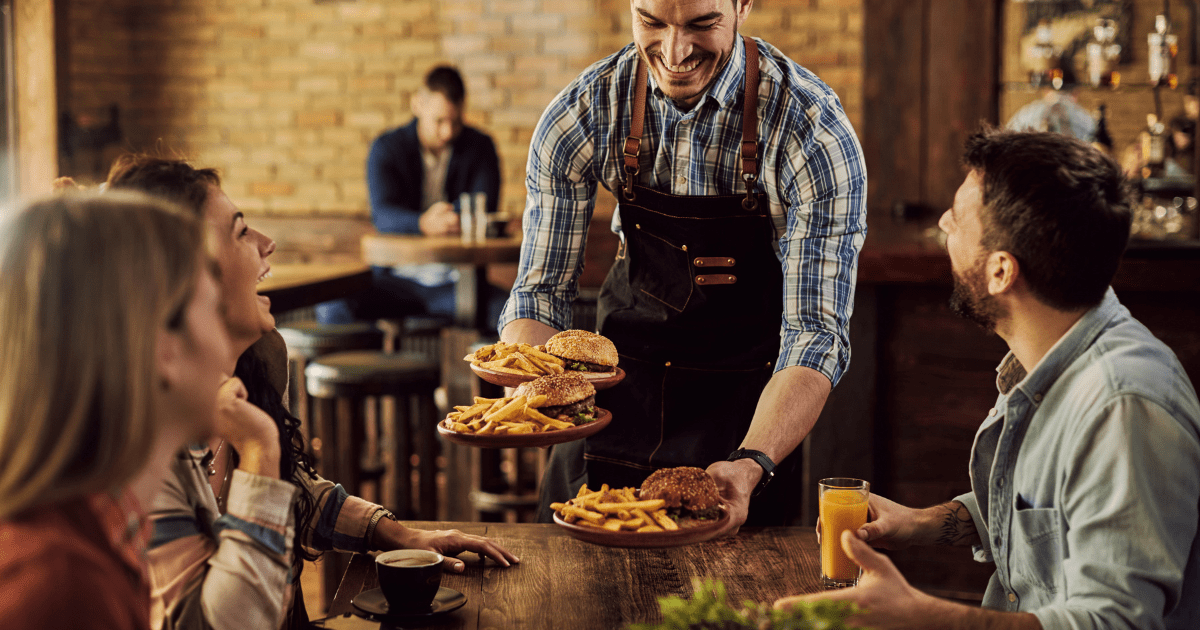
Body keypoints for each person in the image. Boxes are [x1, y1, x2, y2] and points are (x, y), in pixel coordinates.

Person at [776, 129, 1200, 629]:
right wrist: (918, 523)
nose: (942, 224)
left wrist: (924, 618)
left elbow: (1117, 623)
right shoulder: (1050, 358)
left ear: (1001, 271)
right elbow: (1046, 509)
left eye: (957, 219)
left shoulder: (1123, 407)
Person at [105, 156, 519, 630]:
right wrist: (260, 451)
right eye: (241, 232)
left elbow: (293, 490)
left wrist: (399, 534)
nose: (267, 243)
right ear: (185, 276)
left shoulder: (258, 361)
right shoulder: (138, 445)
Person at [501, 0, 867, 529]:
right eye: (651, 22)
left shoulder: (809, 129)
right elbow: (540, 292)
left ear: (742, 6)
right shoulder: (584, 112)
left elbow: (816, 333)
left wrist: (752, 462)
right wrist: (534, 391)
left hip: (747, 423)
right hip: (610, 412)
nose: (674, 52)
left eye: (701, 24)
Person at [0, 192, 231, 629]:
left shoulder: (95, 535)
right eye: (216, 310)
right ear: (164, 348)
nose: (226, 346)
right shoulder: (60, 588)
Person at [316, 64, 508, 330]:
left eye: (456, 121)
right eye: (439, 121)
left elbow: (484, 206)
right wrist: (423, 223)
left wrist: (448, 219)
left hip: (458, 283)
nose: (448, 132)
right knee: (332, 308)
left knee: (513, 315)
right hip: (395, 280)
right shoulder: (387, 147)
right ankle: (381, 370)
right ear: (418, 105)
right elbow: (383, 214)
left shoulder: (480, 146)